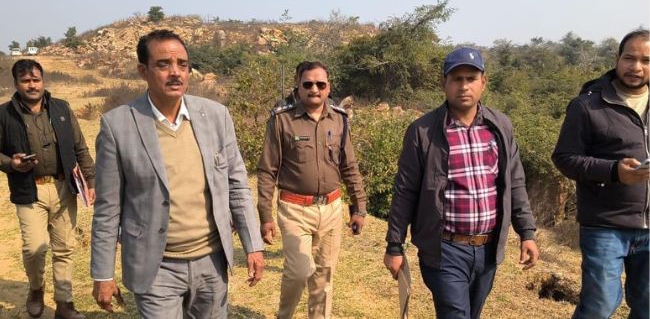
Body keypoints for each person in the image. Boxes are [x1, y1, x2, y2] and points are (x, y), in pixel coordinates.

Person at [91, 29, 265, 318]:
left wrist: (253, 246)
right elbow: (108, 208)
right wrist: (102, 274)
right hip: (155, 266)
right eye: (164, 64)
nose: (175, 73)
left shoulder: (216, 116)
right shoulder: (118, 126)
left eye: (182, 64)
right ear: (143, 71)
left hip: (212, 262)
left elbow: (237, 186)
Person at [384, 47, 539, 319]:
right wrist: (394, 245)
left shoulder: (500, 126)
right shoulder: (423, 131)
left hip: (488, 249)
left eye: (471, 78)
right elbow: (405, 191)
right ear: (443, 83)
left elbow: (514, 182)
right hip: (445, 249)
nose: (464, 86)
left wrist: (527, 232)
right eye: (456, 79)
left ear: (483, 82)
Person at [257, 61, 367, 319]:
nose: (314, 89)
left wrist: (359, 208)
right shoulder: (282, 120)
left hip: (331, 208)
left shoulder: (339, 119)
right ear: (298, 85)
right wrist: (265, 216)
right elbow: (267, 171)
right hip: (294, 209)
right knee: (298, 272)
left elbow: (349, 166)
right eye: (308, 84)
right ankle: (284, 315)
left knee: (323, 276)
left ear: (329, 87)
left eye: (320, 84)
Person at [552, 29, 650, 319]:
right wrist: (613, 171)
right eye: (629, 58)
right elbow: (565, 158)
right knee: (599, 306)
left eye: (646, 60)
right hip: (605, 224)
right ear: (616, 58)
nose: (636, 67)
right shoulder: (588, 104)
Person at [0, 59, 95, 319]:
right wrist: (11, 163)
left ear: (43, 81)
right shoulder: (4, 114)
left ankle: (64, 304)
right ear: (16, 84)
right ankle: (36, 289)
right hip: (29, 190)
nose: (32, 85)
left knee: (64, 248)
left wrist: (91, 180)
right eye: (25, 81)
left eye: (36, 80)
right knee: (34, 247)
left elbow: (80, 147)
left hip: (65, 187)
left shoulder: (61, 108)